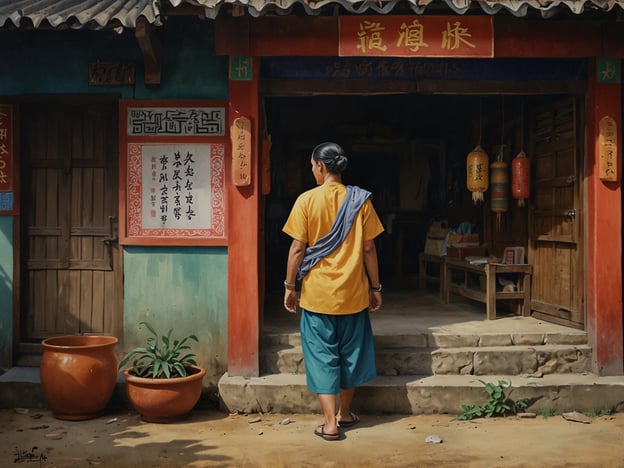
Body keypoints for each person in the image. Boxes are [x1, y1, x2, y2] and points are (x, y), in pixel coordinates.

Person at [282, 141, 384, 441]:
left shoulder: (306, 200)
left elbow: (297, 248)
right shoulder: (361, 201)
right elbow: (368, 247)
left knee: (322, 357)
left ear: (321, 166)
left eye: (312, 165)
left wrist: (290, 286)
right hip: (353, 294)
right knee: (350, 355)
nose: (312, 170)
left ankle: (329, 424)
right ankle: (345, 413)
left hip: (317, 296)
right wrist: (375, 287)